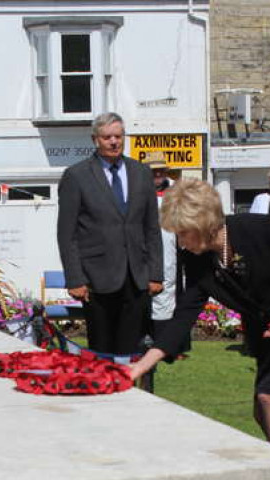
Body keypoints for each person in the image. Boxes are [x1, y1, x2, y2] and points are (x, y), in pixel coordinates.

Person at [130, 179, 270, 445]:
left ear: (203, 224)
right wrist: (141, 365)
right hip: (268, 328)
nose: (181, 243)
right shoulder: (197, 258)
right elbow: (185, 312)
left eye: (183, 233)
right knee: (262, 408)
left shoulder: (264, 229)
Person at [57, 112, 163, 355]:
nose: (114, 142)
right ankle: (103, 391)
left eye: (118, 136)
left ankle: (128, 391)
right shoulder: (77, 176)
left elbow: (152, 229)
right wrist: (75, 278)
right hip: (96, 279)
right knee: (102, 351)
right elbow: (67, 233)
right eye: (107, 137)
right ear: (95, 139)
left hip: (136, 278)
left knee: (132, 350)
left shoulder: (141, 173)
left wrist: (155, 273)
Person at [146, 151, 187, 352]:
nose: (157, 174)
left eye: (161, 171)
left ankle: (170, 344)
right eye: (154, 171)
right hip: (146, 248)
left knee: (172, 291)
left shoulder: (175, 193)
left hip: (172, 246)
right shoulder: (139, 192)